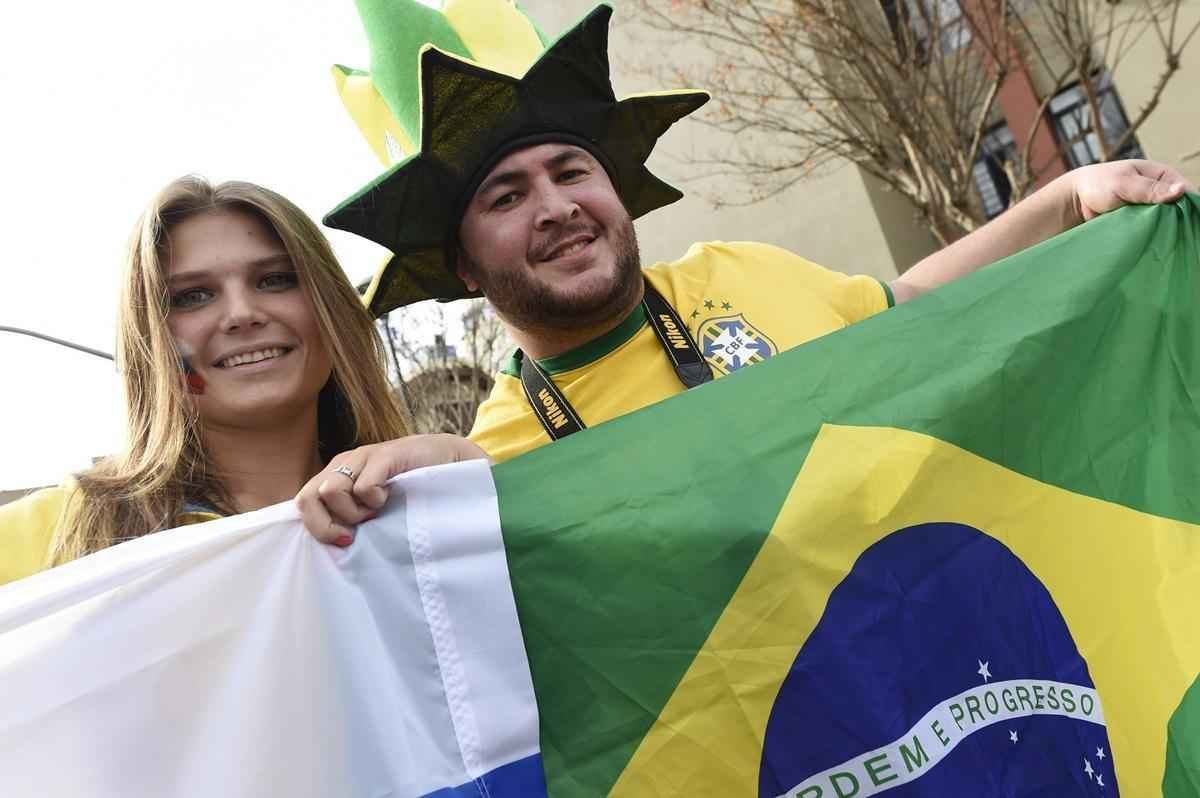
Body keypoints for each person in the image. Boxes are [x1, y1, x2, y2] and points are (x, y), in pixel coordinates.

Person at [324, 2, 1193, 463]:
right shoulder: (501, 461)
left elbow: (913, 304)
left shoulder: (738, 273)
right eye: (506, 196)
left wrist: (1072, 197)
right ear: (465, 269)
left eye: (572, 171)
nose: (555, 205)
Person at [0, 176, 483, 586]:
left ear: (329, 308)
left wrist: (480, 486)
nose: (242, 314)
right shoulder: (52, 532)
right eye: (192, 296)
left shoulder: (428, 492)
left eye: (275, 280)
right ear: (149, 340)